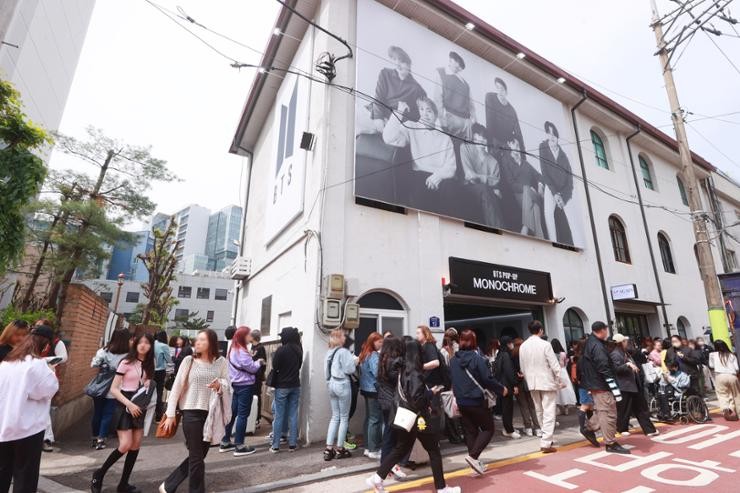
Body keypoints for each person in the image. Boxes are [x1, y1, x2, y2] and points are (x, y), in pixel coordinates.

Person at [367, 340, 460, 493]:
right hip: (418, 418)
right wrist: (431, 392)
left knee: (400, 448)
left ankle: (376, 478)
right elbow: (418, 400)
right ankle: (442, 488)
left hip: (405, 416)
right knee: (434, 451)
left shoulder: (403, 370)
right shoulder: (415, 373)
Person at [159, 329, 228, 493]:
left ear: (211, 342)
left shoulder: (221, 362)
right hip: (190, 413)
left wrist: (219, 385)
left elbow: (227, 384)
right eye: (197, 340)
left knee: (199, 455)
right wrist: (169, 414)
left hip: (210, 414)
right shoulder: (189, 361)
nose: (197, 342)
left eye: (202, 340)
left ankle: (168, 485)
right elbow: (176, 388)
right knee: (197, 458)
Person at [91, 333, 155, 493]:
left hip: (140, 404)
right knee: (125, 445)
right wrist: (129, 404)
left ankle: (123, 484)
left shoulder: (149, 363)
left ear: (150, 346)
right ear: (135, 344)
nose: (143, 345)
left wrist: (147, 383)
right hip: (124, 404)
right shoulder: (126, 362)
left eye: (147, 343)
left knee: (135, 445)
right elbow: (114, 389)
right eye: (140, 342)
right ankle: (99, 473)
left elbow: (148, 384)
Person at [0, 327, 59, 493]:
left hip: (4, 425)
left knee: (2, 471)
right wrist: (51, 370)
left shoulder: (6, 362)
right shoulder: (38, 366)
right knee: (25, 477)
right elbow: (48, 390)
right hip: (27, 429)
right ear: (46, 346)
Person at [383, 98, 457, 212]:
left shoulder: (445, 138)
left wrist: (438, 176)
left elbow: (451, 166)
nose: (425, 114)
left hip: (441, 178)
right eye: (421, 109)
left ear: (435, 115)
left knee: (451, 191)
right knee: (421, 201)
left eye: (429, 111)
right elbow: (388, 137)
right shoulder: (411, 126)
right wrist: (399, 112)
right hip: (419, 176)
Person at [451, 330, 506, 475]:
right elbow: (487, 379)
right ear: (474, 342)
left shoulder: (453, 360)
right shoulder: (478, 359)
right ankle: (473, 457)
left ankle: (474, 464)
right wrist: (501, 389)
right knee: (488, 429)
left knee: (470, 432)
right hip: (476, 400)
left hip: (461, 401)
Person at [580, 322, 630, 454]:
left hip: (596, 383)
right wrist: (613, 386)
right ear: (602, 330)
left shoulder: (591, 342)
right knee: (609, 413)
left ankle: (588, 428)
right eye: (606, 330)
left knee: (603, 411)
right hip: (601, 384)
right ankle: (610, 443)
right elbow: (604, 367)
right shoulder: (597, 345)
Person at [359, 45, 427, 134]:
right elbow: (379, 97)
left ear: (409, 64)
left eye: (402, 61)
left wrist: (394, 122)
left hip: (394, 124)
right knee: (355, 116)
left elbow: (416, 116)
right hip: (375, 113)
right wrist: (378, 118)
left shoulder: (416, 88)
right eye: (394, 60)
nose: (397, 64)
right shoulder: (385, 73)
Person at [219, 326, 264, 456]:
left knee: (233, 413)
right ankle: (240, 445)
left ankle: (225, 441)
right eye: (248, 334)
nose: (250, 336)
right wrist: (259, 362)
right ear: (243, 336)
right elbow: (251, 368)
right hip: (245, 385)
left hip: (236, 385)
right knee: (243, 415)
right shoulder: (242, 351)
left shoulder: (233, 349)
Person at [518, 321, 562, 453]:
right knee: (549, 411)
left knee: (539, 410)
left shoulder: (523, 346)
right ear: (541, 330)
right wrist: (560, 379)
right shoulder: (545, 344)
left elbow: (522, 366)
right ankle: (546, 441)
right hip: (546, 381)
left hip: (532, 382)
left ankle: (545, 437)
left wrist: (527, 378)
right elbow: (554, 364)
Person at [89, 329, 131, 450]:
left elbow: (94, 364)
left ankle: (94, 437)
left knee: (97, 412)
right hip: (116, 387)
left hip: (100, 386)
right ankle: (101, 439)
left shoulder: (103, 351)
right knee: (108, 414)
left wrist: (104, 365)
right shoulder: (127, 355)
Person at [609, 334, 658, 437]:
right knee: (625, 409)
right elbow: (616, 369)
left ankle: (649, 430)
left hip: (632, 384)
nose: (627, 343)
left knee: (640, 408)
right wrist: (627, 365)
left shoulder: (625, 352)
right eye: (625, 341)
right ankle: (622, 428)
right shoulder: (615, 354)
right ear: (621, 342)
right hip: (625, 385)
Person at [377, 336, 408, 481]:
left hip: (384, 400)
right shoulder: (394, 362)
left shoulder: (382, 359)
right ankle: (386, 466)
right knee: (392, 436)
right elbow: (399, 379)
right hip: (392, 403)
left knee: (388, 434)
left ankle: (386, 465)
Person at [324, 329, 358, 461]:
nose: (346, 337)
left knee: (335, 417)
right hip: (343, 384)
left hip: (332, 383)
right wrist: (354, 361)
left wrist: (329, 383)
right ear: (339, 338)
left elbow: (326, 371)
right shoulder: (344, 352)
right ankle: (340, 449)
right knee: (344, 418)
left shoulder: (329, 352)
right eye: (344, 335)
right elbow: (350, 369)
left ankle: (328, 449)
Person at [499, 139, 545, 237]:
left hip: (533, 196)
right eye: (513, 144)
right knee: (536, 211)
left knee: (530, 195)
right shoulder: (507, 162)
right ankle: (540, 238)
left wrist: (540, 186)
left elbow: (540, 176)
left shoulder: (525, 164)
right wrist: (526, 188)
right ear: (509, 146)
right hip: (520, 196)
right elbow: (511, 184)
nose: (516, 147)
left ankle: (525, 228)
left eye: (518, 145)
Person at [460, 124, 503, 227]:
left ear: (487, 142)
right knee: (486, 189)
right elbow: (469, 176)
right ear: (473, 139)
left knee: (492, 193)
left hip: (486, 192)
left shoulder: (494, 162)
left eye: (483, 140)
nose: (480, 144)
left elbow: (497, 181)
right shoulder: (465, 148)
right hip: (468, 187)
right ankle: (500, 229)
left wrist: (478, 177)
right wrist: (485, 179)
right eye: (476, 140)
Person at [539, 121, 574, 245]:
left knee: (571, 218)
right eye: (549, 133)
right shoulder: (542, 148)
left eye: (554, 134)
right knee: (548, 213)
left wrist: (563, 197)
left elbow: (570, 182)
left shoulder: (564, 156)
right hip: (551, 188)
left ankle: (570, 244)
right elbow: (545, 173)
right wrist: (555, 194)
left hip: (563, 192)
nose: (552, 136)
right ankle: (553, 242)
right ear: (546, 134)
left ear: (558, 137)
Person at [269, 327, 302, 453]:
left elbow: (275, 366)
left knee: (279, 416)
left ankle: (275, 445)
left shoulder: (281, 350)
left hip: (282, 386)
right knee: (293, 415)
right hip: (295, 385)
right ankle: (292, 444)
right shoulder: (299, 349)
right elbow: (299, 366)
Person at [34, 321, 66, 452]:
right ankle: (44, 438)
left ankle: (46, 438)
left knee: (44, 408)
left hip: (47, 378)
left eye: (40, 326)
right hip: (34, 377)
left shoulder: (57, 343)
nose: (37, 328)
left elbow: (63, 358)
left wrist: (45, 361)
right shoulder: (31, 342)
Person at [434, 51, 475, 139]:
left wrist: (473, 121)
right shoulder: (441, 73)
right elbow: (437, 99)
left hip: (466, 122)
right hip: (451, 117)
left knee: (465, 148)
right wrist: (442, 121)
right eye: (450, 61)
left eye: (451, 61)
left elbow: (471, 105)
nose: (449, 64)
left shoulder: (465, 84)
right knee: (450, 146)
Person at [484, 77, 524, 158]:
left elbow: (518, 134)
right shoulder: (490, 97)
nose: (500, 91)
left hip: (507, 145)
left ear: (506, 92)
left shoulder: (512, 111)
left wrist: (523, 156)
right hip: (494, 141)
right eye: (497, 88)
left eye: (502, 89)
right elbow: (489, 123)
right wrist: (490, 147)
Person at [359, 332, 384, 459]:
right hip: (373, 390)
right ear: (373, 342)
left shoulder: (364, 353)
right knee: (375, 419)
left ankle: (367, 448)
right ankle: (374, 449)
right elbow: (376, 373)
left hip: (365, 389)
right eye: (379, 341)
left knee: (369, 418)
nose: (381, 343)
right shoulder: (373, 355)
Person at [512, 337, 540, 436]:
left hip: (519, 383)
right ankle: (537, 428)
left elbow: (512, 371)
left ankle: (528, 428)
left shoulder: (512, 356)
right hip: (529, 382)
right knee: (532, 405)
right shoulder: (527, 354)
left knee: (523, 406)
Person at [493, 336, 519, 438]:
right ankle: (509, 430)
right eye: (510, 343)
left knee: (505, 408)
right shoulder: (506, 356)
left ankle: (507, 428)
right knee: (508, 408)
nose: (512, 345)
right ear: (508, 344)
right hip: (507, 385)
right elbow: (509, 372)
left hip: (501, 385)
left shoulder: (499, 354)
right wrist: (515, 384)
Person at [708, 340, 740, 420]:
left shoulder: (712, 355)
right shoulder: (731, 355)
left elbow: (711, 365)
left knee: (722, 395)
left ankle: (725, 408)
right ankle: (737, 412)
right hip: (732, 376)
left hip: (720, 376)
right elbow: (736, 368)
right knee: (736, 395)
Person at [551, 338, 577, 415]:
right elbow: (566, 363)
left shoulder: (551, 354)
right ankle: (566, 407)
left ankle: (558, 408)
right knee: (565, 389)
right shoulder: (563, 354)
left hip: (554, 372)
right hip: (563, 371)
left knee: (557, 390)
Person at [248, 329, 267, 429]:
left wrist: (259, 374)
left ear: (253, 337)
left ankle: (257, 419)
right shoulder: (252, 347)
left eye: (250, 336)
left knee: (257, 396)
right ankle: (251, 417)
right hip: (250, 376)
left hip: (257, 377)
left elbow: (264, 363)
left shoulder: (261, 348)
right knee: (252, 397)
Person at [153, 330, 173, 422]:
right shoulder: (164, 346)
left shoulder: (152, 343)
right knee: (159, 393)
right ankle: (158, 416)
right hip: (160, 371)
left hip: (149, 370)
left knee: (146, 392)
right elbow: (169, 360)